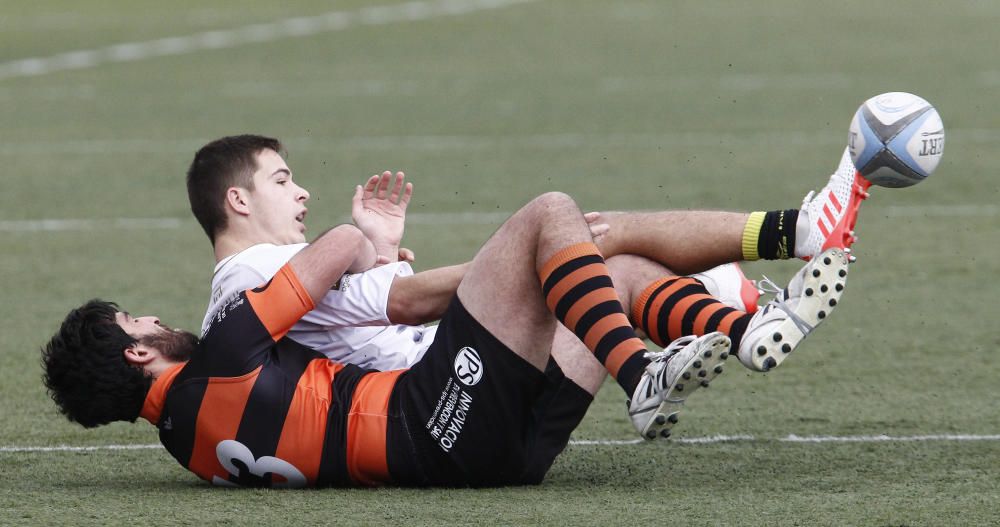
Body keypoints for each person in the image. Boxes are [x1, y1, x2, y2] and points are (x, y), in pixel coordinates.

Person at [41, 189, 850, 488]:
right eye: (138, 323)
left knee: (610, 276)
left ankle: (742, 330)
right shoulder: (216, 358)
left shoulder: (185, 448)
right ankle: (642, 372)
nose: (154, 318)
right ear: (137, 354)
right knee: (551, 216)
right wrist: (360, 234)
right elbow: (318, 266)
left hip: (503, 459)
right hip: (438, 420)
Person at [185, 135, 866, 436]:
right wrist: (528, 260)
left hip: (459, 384)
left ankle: (746, 325)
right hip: (452, 392)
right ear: (237, 203)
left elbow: (375, 321)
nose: (300, 190)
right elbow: (409, 304)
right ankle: (792, 240)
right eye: (280, 180)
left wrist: (385, 250)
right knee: (568, 225)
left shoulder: (260, 282)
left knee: (609, 262)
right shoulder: (259, 274)